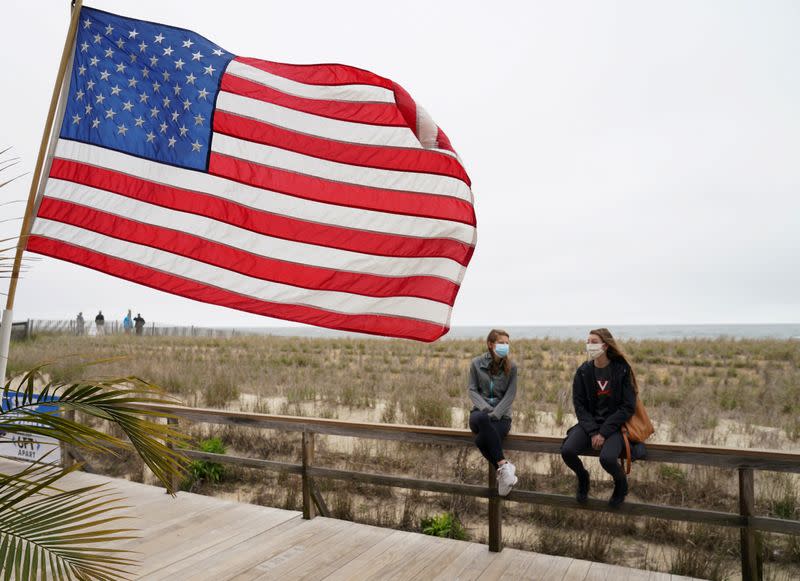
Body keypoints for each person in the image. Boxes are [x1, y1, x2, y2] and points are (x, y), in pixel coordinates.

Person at [561, 328, 637, 508]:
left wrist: (603, 432)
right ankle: (583, 477)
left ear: (605, 345)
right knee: (568, 451)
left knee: (608, 459)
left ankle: (621, 484)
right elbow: (579, 405)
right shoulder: (583, 371)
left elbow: (628, 406)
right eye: (588, 341)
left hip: (615, 426)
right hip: (590, 424)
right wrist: (594, 431)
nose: (589, 345)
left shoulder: (622, 370)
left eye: (593, 341)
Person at [467, 329, 519, 496]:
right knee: (482, 418)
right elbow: (472, 390)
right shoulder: (476, 363)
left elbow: (510, 395)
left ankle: (505, 475)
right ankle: (504, 466)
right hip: (479, 414)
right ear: (490, 344)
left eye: (507, 343)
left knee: (481, 441)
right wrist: (486, 409)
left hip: (502, 417)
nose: (505, 346)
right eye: (501, 342)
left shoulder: (512, 368)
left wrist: (496, 414)